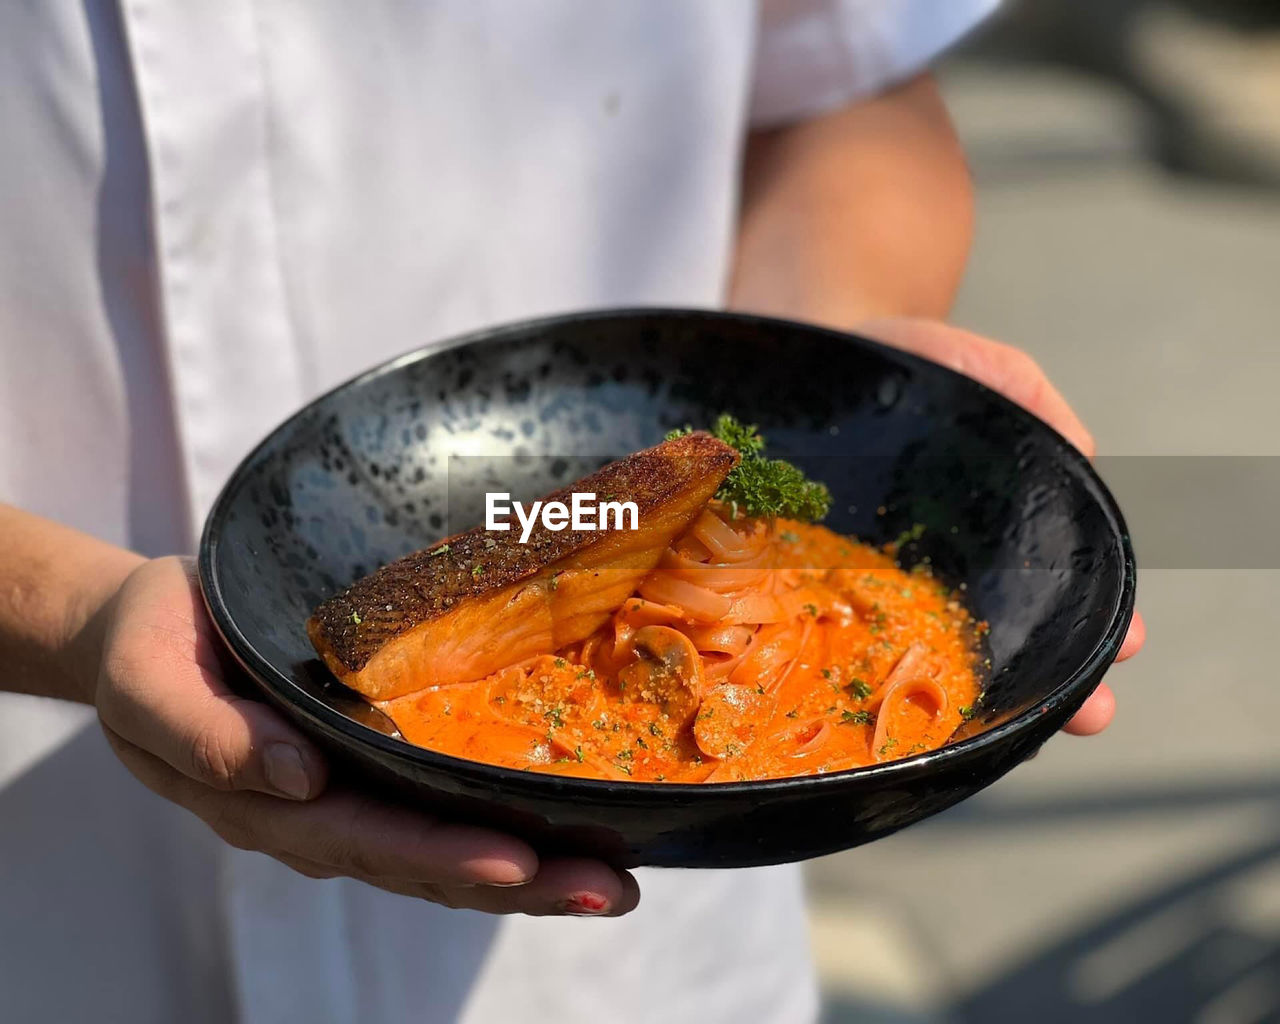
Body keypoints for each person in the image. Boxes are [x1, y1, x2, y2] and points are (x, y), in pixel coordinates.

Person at [0, 2, 1144, 1022]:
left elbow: (848, 100)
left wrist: (825, 369)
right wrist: (74, 612)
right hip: (64, 852)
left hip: (646, 912)